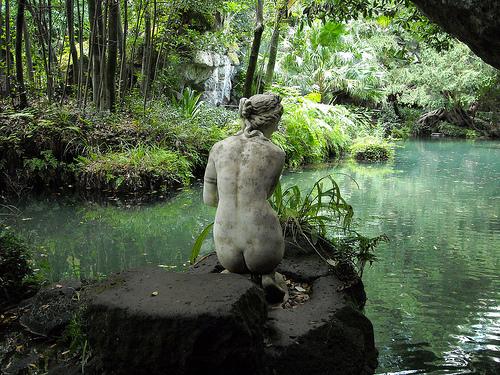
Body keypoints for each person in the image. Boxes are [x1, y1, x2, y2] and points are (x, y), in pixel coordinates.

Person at [203, 93, 287, 301]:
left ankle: (234, 276)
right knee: (270, 271)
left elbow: (209, 199)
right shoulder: (276, 153)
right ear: (274, 120)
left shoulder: (219, 148)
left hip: (226, 248)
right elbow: (266, 193)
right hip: (264, 247)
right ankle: (268, 277)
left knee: (232, 267)